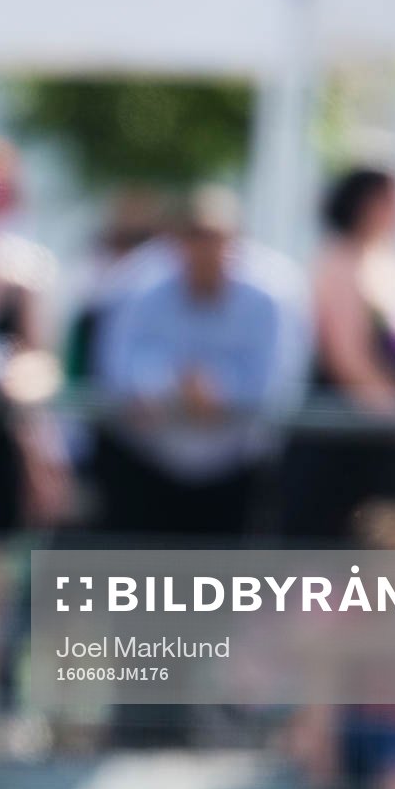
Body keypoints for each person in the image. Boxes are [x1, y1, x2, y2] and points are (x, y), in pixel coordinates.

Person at [92, 185, 305, 539]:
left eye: (214, 238)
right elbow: (117, 371)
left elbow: (278, 382)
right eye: (194, 237)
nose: (205, 250)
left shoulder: (271, 296)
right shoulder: (136, 286)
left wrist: (221, 392)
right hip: (146, 469)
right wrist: (173, 387)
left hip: (236, 474)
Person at [282, 164, 395, 542]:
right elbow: (348, 362)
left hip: (380, 442)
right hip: (345, 444)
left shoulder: (387, 260)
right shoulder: (338, 261)